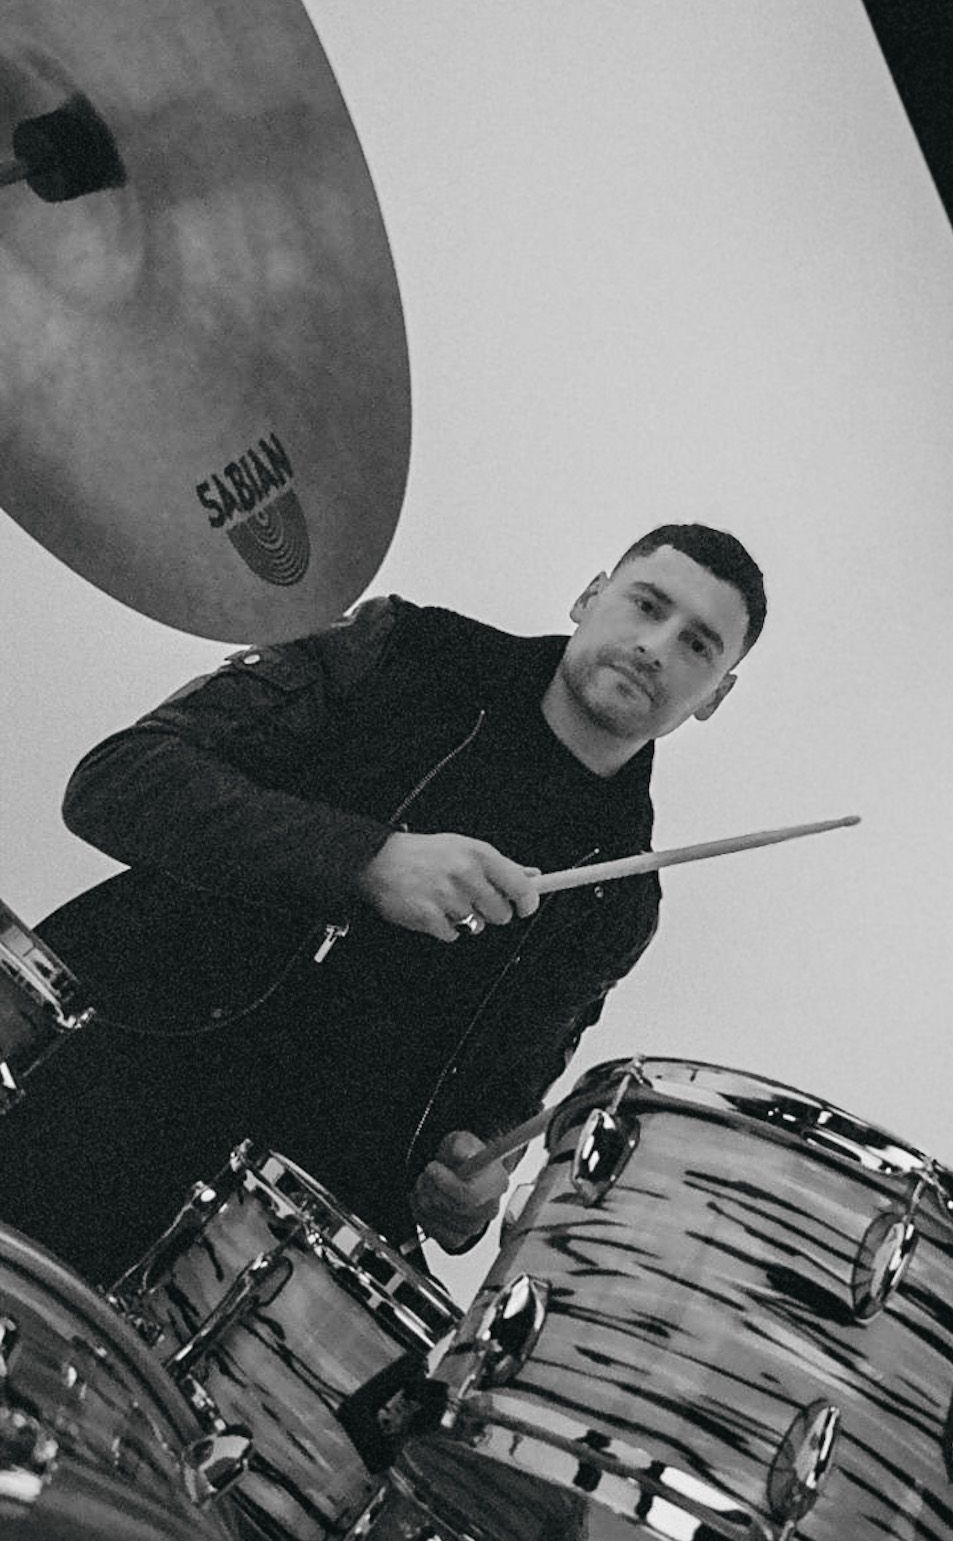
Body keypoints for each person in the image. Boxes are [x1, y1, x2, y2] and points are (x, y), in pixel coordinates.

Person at [0, 524, 765, 1285]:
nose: (655, 646)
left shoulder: (621, 899)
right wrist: (367, 861)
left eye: (698, 645)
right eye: (645, 605)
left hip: (258, 1261)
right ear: (590, 596)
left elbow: (499, 1100)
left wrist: (469, 1184)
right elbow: (117, 783)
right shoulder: (403, 649)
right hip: (92, 1087)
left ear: (716, 696)